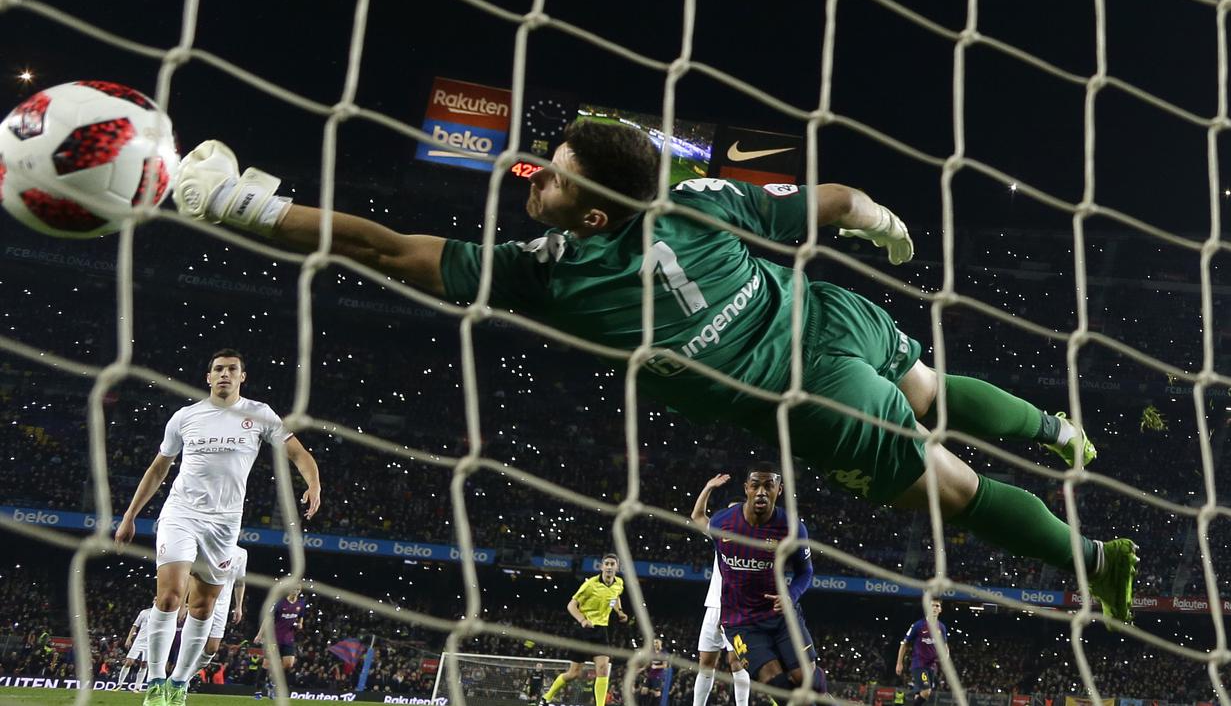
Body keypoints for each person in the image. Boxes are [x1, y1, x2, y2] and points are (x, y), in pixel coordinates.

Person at [170, 122, 1137, 622]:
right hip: (826, 318)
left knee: (953, 491)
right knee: (928, 384)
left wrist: (247, 209)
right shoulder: (703, 198)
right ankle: (1054, 430)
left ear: (590, 214)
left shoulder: (549, 275)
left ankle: (1089, 565)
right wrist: (884, 226)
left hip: (814, 402)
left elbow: (387, 250)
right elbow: (832, 201)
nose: (531, 180)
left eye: (547, 176)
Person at [114, 348, 322, 706]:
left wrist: (313, 483)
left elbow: (299, 453)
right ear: (208, 377)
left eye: (232, 369)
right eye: (218, 369)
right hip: (181, 513)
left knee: (203, 608)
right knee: (169, 596)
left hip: (224, 524)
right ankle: (155, 682)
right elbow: (158, 469)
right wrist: (130, 515)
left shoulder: (259, 414)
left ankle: (178, 684)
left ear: (242, 377)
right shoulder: (185, 417)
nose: (224, 374)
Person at [703, 463, 826, 695]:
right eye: (755, 485)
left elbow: (805, 572)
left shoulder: (793, 528)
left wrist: (790, 595)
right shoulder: (722, 523)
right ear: (746, 488)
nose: (761, 491)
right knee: (774, 682)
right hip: (741, 621)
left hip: (780, 615)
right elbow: (699, 518)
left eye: (769, 485)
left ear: (778, 490)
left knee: (806, 680)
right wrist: (708, 488)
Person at [689, 474, 752, 706]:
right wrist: (707, 487)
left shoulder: (754, 540)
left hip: (738, 609)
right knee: (706, 662)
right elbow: (697, 517)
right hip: (714, 605)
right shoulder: (721, 535)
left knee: (737, 662)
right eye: (729, 511)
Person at [542, 553, 629, 705]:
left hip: (601, 631)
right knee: (573, 674)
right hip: (583, 631)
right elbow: (571, 605)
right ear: (602, 566)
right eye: (606, 564)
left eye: (612, 564)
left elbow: (615, 597)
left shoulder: (619, 583)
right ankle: (546, 697)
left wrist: (619, 611)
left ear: (617, 567)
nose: (609, 566)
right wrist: (582, 620)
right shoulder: (590, 584)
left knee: (603, 669)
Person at [186, 545, 247, 686]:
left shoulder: (242, 553)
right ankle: (180, 680)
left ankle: (185, 676)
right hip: (202, 600)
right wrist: (185, 601)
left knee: (212, 649)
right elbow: (192, 575)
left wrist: (238, 606)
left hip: (222, 607)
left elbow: (239, 582)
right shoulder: (211, 545)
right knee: (196, 643)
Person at [254, 584, 308, 698]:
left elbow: (301, 619)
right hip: (274, 639)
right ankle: (258, 690)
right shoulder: (280, 603)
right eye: (294, 588)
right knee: (266, 664)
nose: (296, 591)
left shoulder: (300, 604)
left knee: (289, 664)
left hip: (288, 639)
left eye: (298, 589)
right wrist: (260, 635)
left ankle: (272, 682)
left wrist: (300, 625)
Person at [896, 602, 948, 706]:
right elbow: (904, 643)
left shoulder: (941, 627)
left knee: (919, 695)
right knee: (926, 692)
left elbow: (945, 646)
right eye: (932, 605)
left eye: (937, 606)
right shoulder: (918, 625)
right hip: (919, 664)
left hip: (932, 666)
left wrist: (945, 658)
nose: (934, 608)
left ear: (940, 609)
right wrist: (899, 663)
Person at [117, 606, 151, 690]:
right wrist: (129, 638)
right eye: (155, 599)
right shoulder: (144, 612)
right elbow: (135, 626)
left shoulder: (162, 613)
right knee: (129, 662)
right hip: (139, 641)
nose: (156, 601)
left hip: (151, 642)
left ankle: (137, 687)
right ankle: (119, 684)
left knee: (144, 664)